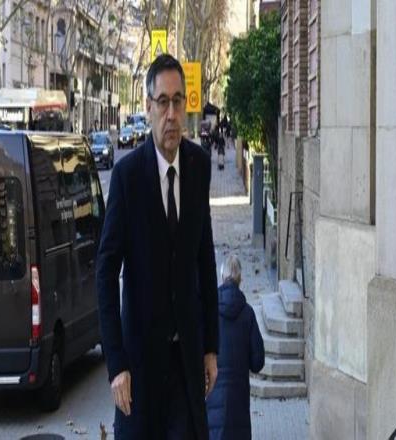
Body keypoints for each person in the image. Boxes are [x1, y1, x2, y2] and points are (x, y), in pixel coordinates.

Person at [97, 53, 219, 439]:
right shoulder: (127, 177)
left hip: (186, 367)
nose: (171, 114)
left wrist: (211, 346)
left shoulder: (199, 166)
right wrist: (116, 365)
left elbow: (205, 259)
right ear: (148, 107)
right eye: (162, 102)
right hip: (140, 373)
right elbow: (105, 273)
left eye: (178, 101)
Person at [206, 255, 265, 440]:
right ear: (240, 279)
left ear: (222, 277)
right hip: (239, 402)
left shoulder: (209, 313)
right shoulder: (248, 314)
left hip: (213, 397)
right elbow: (258, 362)